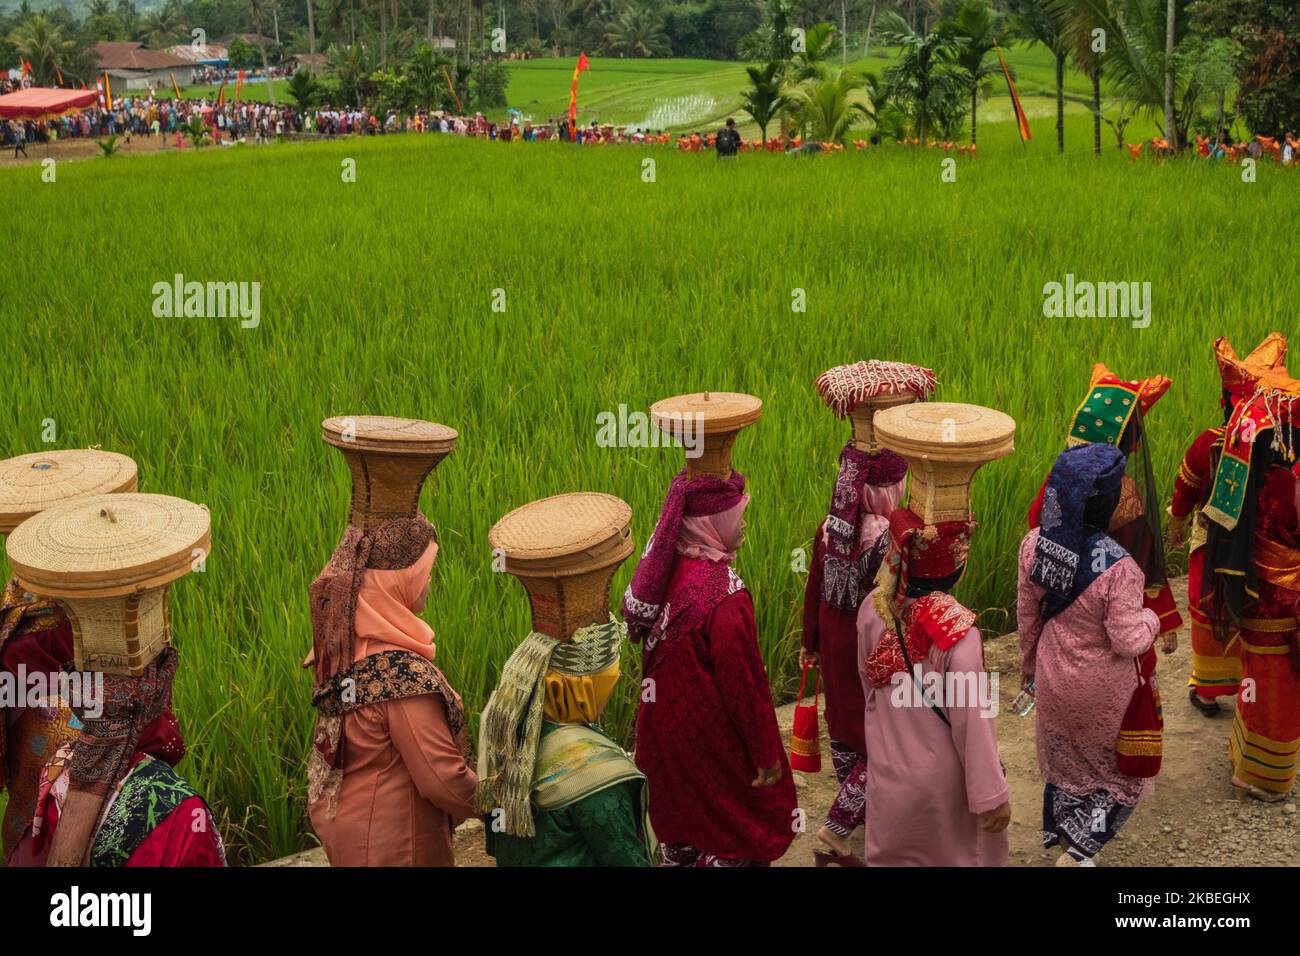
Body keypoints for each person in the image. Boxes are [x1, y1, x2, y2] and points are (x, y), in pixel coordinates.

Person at [624, 456, 796, 866]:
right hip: (711, 749)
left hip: (664, 742)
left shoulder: (668, 571)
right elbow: (745, 686)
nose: (745, 525)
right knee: (737, 832)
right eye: (738, 517)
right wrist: (765, 755)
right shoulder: (726, 596)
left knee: (682, 836)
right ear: (712, 523)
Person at [800, 359, 934, 864]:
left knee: (847, 723)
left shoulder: (833, 526)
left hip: (833, 638)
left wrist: (808, 642)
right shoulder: (890, 539)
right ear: (887, 489)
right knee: (878, 737)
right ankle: (836, 830)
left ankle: (869, 813)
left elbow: (816, 587)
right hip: (869, 643)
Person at [1018, 443, 1161, 866]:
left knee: (1068, 767)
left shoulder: (1033, 546)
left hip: (1052, 677)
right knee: (1121, 782)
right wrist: (1152, 619)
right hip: (1103, 693)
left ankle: (1068, 842)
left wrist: (1031, 671)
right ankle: (1079, 854)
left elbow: (1028, 620)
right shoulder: (1121, 568)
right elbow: (1128, 641)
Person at [307, 525, 477, 865]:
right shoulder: (400, 678)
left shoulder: (340, 647)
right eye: (422, 574)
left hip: (351, 835)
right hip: (397, 847)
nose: (429, 583)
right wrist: (504, 807)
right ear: (395, 584)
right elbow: (442, 780)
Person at [857, 507, 1011, 866]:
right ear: (955, 566)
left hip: (889, 777)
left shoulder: (872, 609)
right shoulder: (958, 633)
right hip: (943, 793)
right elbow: (973, 720)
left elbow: (869, 692)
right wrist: (991, 795)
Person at [1168, 334, 1287, 715]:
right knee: (1251, 614)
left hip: (1211, 543)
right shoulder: (1281, 452)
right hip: (1259, 552)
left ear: (1226, 403)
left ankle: (1207, 690)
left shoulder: (1209, 443)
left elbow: (1185, 490)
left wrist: (1175, 524)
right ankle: (1248, 691)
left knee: (1208, 607)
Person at [479, 618, 654, 866]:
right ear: (582, 688)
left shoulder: (504, 733)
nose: (618, 679)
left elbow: (497, 840)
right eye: (609, 677)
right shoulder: (596, 774)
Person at [1028, 365, 1182, 647]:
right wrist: (1165, 619)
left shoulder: (1061, 476)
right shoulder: (1123, 493)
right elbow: (1142, 556)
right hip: (1110, 616)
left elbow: (1035, 522)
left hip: (1061, 612)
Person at [1200, 371, 1300, 802]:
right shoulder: (1287, 485)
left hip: (1251, 595)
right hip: (1284, 602)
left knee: (1256, 676)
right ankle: (1266, 776)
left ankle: (1243, 756)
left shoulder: (1238, 478)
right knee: (1279, 686)